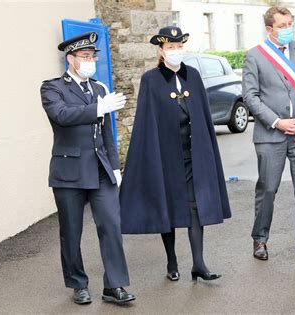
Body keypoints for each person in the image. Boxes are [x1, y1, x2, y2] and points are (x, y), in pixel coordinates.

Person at [119, 26, 231, 281]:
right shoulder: (151, 79)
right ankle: (171, 262)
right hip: (165, 155)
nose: (176, 51)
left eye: (179, 46)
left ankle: (199, 264)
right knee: (167, 207)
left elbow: (202, 114)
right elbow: (147, 121)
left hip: (193, 153)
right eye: (171, 47)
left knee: (195, 207)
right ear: (161, 50)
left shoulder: (193, 75)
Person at [40, 32, 136, 304]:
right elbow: (62, 115)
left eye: (93, 56)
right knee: (71, 232)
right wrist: (98, 108)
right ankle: (78, 283)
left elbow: (107, 133)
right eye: (85, 56)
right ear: (71, 59)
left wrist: (116, 167)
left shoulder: (99, 89)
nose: (91, 60)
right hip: (69, 172)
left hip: (100, 170)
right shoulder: (53, 88)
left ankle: (114, 285)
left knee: (111, 225)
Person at [242, 7, 295, 266]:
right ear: (270, 29)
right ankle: (260, 238)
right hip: (271, 134)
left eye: (291, 23)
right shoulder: (255, 56)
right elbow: (250, 97)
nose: (289, 28)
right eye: (283, 25)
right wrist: (278, 122)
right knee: (268, 188)